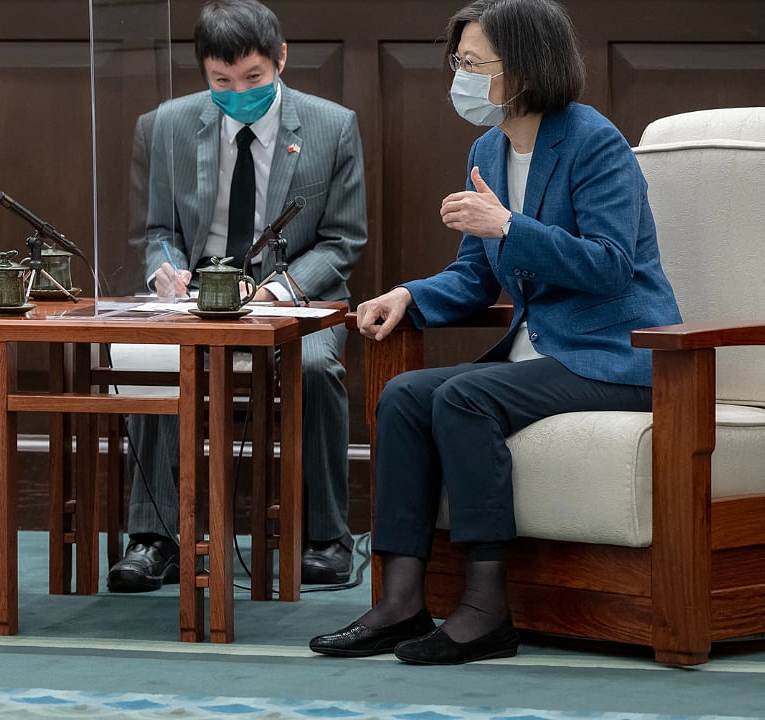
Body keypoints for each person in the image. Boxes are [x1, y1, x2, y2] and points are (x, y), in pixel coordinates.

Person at [309, 0, 680, 664]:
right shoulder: (488, 147)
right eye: (458, 62)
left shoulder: (594, 143)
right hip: (542, 358)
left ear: (526, 70)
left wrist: (509, 225)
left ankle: (484, 610)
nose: (460, 77)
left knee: (464, 395)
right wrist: (407, 295)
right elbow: (477, 276)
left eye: (473, 64)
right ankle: (398, 602)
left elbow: (609, 265)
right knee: (402, 397)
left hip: (618, 357)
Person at [108, 0, 367, 592]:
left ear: (280, 59)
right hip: (196, 295)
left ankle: (326, 536)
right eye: (221, 82)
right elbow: (159, 234)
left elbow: (343, 240)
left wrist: (275, 292)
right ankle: (155, 537)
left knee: (317, 364)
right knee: (148, 358)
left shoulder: (331, 125)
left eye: (253, 78)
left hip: (294, 292)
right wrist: (165, 273)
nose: (238, 92)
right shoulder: (167, 125)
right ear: (203, 72)